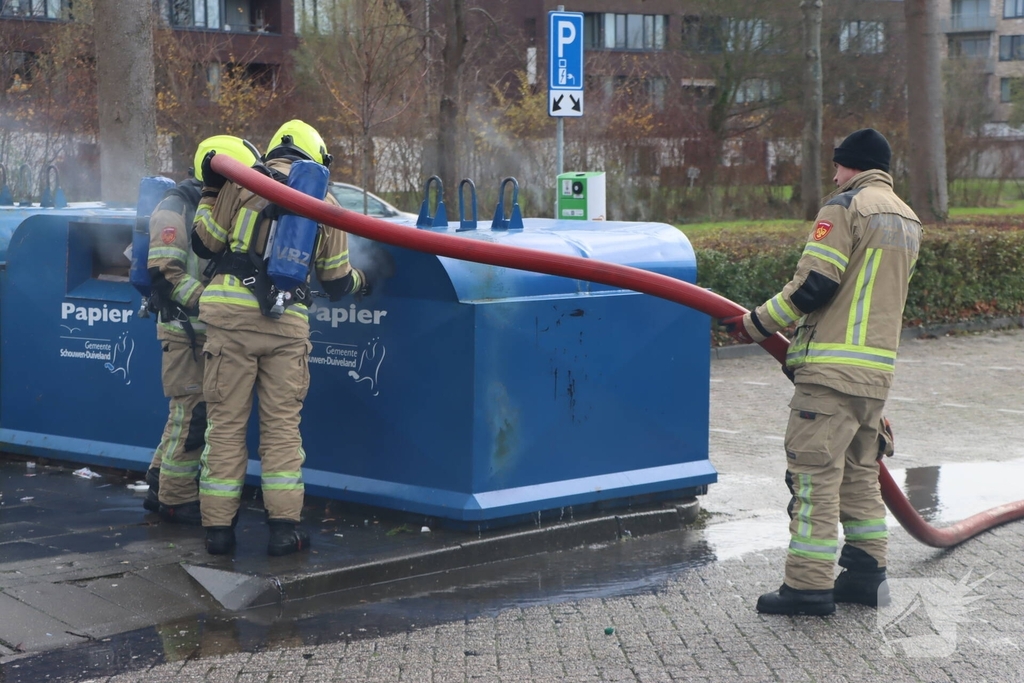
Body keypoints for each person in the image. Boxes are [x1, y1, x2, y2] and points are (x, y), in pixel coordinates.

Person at [720, 128, 922, 616]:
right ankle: (867, 577)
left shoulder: (846, 206)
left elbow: (814, 285)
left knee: (813, 479)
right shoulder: (908, 219)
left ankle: (807, 587)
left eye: (838, 166)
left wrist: (754, 324)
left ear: (853, 165)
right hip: (875, 375)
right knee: (861, 476)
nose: (834, 176)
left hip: (829, 373)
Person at [191, 120, 369, 556]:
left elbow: (205, 243)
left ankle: (218, 533)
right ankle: (284, 533)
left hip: (230, 322)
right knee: (282, 431)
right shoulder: (324, 201)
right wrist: (366, 280)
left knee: (226, 426)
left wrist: (210, 193)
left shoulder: (242, 182)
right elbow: (336, 280)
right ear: (317, 157)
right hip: (287, 327)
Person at [143, 135, 262, 524]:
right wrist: (210, 302)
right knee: (192, 418)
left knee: (185, 414)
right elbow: (165, 273)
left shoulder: (208, 206)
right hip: (185, 333)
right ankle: (176, 499)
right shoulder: (175, 208)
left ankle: (159, 481)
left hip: (203, 332)